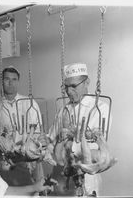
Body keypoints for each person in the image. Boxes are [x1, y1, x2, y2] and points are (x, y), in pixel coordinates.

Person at [47, 63, 111, 197]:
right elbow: (51, 139)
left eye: (74, 86)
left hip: (87, 178)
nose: (69, 91)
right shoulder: (63, 110)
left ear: (87, 82)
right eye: (66, 87)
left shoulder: (100, 108)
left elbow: (94, 148)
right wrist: (44, 141)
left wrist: (68, 141)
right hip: (62, 177)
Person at [0, 66, 46, 186]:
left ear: (18, 81)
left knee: (34, 189)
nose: (10, 83)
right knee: (11, 190)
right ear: (2, 81)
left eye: (14, 79)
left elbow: (39, 132)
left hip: (30, 159)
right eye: (7, 79)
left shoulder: (30, 103)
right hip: (9, 160)